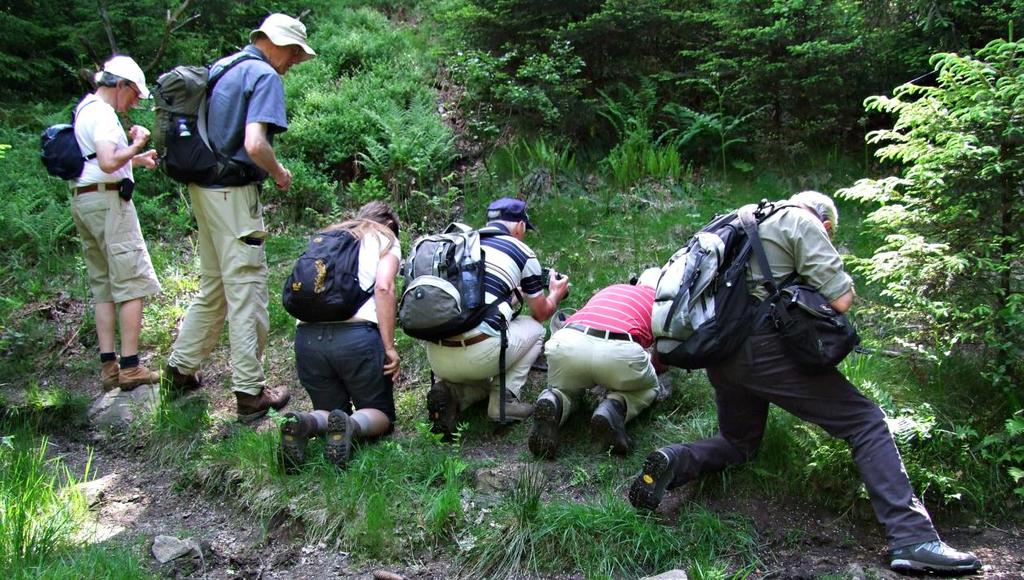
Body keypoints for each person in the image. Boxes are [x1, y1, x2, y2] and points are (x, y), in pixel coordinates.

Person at [628, 191, 981, 575]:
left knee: (738, 442)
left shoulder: (740, 218)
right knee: (865, 422)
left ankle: (675, 460)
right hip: (763, 351)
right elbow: (842, 299)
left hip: (720, 352)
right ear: (826, 225)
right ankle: (913, 538)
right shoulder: (800, 221)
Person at [164, 13, 316, 422]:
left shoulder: (222, 68)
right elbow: (254, 144)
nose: (294, 63)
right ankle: (250, 393)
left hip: (203, 189)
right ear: (280, 44)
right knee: (246, 288)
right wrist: (279, 172)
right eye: (295, 54)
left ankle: (179, 370)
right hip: (233, 195)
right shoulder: (265, 76)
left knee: (213, 284)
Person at [424, 198, 569, 436]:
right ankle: (504, 401)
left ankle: (452, 393)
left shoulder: (459, 246)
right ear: (520, 226)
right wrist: (555, 293)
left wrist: (512, 295)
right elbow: (541, 312)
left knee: (478, 356)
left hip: (437, 355)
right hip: (481, 355)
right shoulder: (520, 250)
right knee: (536, 330)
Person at [278, 201, 401, 472]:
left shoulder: (327, 236)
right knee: (380, 414)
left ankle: (305, 422)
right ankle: (352, 425)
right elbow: (384, 287)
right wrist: (389, 347)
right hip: (356, 337)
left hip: (307, 337)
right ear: (389, 224)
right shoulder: (385, 237)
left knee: (327, 410)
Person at [70, 55, 162, 392]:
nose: (135, 102)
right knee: (132, 281)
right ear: (119, 85)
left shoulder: (85, 109)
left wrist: (135, 159)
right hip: (110, 204)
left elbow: (94, 159)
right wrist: (138, 143)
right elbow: (109, 162)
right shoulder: (106, 114)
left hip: (85, 199)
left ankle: (109, 366)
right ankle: (131, 367)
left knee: (104, 285)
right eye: (134, 94)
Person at [529, 268, 665, 459]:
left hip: (569, 340)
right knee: (649, 388)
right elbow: (662, 355)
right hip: (619, 350)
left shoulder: (613, 289)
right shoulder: (661, 303)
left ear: (637, 282)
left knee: (565, 388)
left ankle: (554, 400)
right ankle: (615, 406)